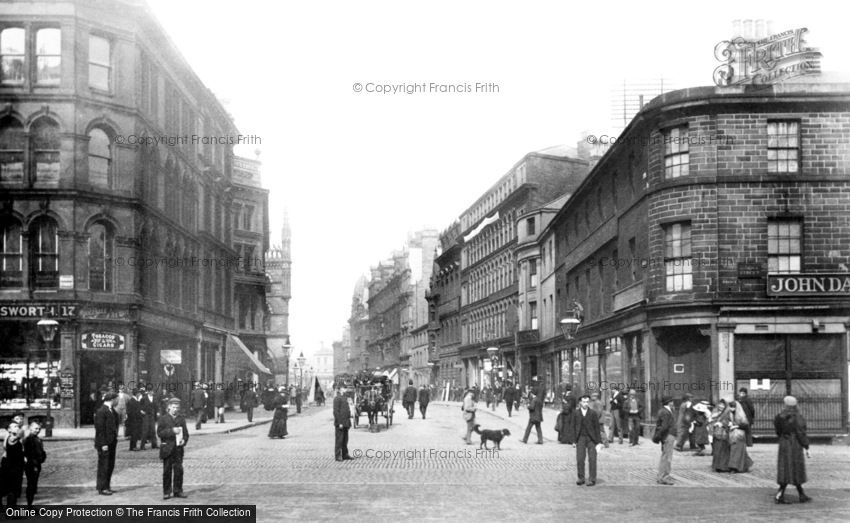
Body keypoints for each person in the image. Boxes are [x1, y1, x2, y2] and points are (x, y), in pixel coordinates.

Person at [774, 395, 811, 504]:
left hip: (784, 443)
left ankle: (801, 494)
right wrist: (806, 446)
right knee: (796, 468)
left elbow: (778, 431)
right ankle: (780, 495)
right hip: (794, 444)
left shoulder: (779, 416)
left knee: (786, 469)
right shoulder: (798, 417)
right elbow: (801, 433)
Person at [157, 398, 189, 500]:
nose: (175, 409)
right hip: (167, 448)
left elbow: (186, 434)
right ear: (169, 407)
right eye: (173, 407)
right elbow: (160, 433)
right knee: (167, 471)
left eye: (177, 408)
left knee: (179, 470)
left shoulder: (181, 419)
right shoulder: (163, 419)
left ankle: (178, 490)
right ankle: (166, 492)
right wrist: (171, 431)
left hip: (178, 449)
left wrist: (184, 440)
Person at [94, 392, 119, 495]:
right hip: (104, 443)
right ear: (112, 399)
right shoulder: (101, 411)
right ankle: (102, 487)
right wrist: (103, 443)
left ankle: (107, 486)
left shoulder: (112, 410)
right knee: (104, 465)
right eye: (116, 399)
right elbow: (100, 429)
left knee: (110, 465)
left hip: (112, 442)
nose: (118, 401)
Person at [573, 394, 601, 486]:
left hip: (591, 438)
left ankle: (592, 479)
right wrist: (574, 441)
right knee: (580, 458)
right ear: (580, 402)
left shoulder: (593, 413)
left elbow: (597, 428)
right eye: (584, 402)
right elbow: (573, 427)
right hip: (580, 437)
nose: (585, 404)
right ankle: (581, 478)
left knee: (592, 459)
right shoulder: (576, 413)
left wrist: (599, 442)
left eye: (587, 402)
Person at [0, 420, 25, 508]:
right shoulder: (12, 438)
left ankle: (11, 509)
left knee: (13, 489)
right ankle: (11, 511)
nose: (17, 428)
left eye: (17, 426)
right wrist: (20, 433)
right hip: (13, 467)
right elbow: (21, 433)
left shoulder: (13, 437)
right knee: (13, 489)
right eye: (14, 426)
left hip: (16, 466)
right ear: (9, 430)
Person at [654, 395, 678, 485]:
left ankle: (661, 476)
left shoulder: (666, 410)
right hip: (668, 435)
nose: (673, 403)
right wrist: (659, 436)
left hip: (667, 435)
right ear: (669, 402)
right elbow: (664, 426)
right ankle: (664, 477)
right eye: (672, 401)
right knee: (667, 457)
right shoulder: (666, 412)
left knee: (665, 456)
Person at [22, 420, 46, 507]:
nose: (37, 430)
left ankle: (30, 504)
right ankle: (29, 505)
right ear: (30, 428)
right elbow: (29, 454)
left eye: (39, 428)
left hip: (36, 464)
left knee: (33, 484)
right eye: (36, 428)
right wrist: (35, 465)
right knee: (31, 484)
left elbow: (40, 451)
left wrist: (43, 456)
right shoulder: (29, 439)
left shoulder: (37, 438)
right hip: (32, 465)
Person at [727, 400, 753, 473]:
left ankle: (734, 467)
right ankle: (745, 465)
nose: (731, 409)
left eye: (733, 407)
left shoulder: (741, 415)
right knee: (739, 452)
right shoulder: (731, 414)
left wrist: (735, 426)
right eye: (730, 407)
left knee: (736, 451)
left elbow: (745, 425)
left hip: (739, 435)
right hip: (733, 435)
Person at [333, 387, 352, 461]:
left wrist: (348, 422)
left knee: (345, 440)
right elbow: (336, 412)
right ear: (340, 389)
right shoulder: (337, 398)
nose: (346, 389)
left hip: (346, 423)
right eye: (344, 388)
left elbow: (347, 410)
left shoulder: (344, 397)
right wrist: (340, 422)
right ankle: (338, 455)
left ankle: (345, 454)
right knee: (339, 440)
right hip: (340, 423)